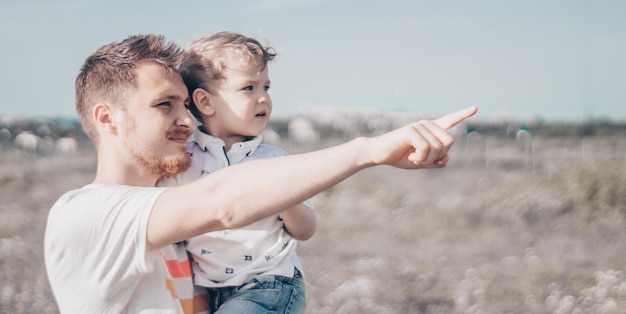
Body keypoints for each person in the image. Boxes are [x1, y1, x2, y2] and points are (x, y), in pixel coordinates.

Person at [43, 33, 477, 313]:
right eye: (164, 105)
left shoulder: (171, 225)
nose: (187, 120)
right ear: (107, 118)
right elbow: (226, 201)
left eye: (185, 105)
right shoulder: (84, 214)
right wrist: (367, 151)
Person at [157, 31, 315, 313]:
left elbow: (305, 230)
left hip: (269, 284)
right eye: (249, 88)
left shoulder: (274, 160)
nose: (263, 98)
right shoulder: (183, 162)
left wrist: (285, 195)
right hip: (207, 291)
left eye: (266, 87)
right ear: (205, 102)